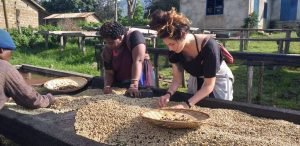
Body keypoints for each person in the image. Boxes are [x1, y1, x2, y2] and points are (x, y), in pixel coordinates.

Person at [149, 8, 234, 108]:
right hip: (196, 76)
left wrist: (186, 104)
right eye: (167, 45)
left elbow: (208, 85)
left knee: (219, 108)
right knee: (195, 106)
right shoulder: (174, 51)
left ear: (183, 35)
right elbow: (177, 79)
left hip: (218, 77)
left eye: (172, 44)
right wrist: (168, 94)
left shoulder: (209, 46)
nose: (170, 48)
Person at [0, 29, 55, 109]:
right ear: (1, 50)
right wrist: (48, 99)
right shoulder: (4, 66)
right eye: (11, 52)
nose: (11, 56)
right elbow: (30, 99)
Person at [99, 21, 155, 97]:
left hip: (140, 79)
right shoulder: (107, 50)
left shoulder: (134, 37)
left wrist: (134, 85)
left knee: (139, 97)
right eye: (106, 42)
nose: (108, 45)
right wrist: (107, 85)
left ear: (120, 37)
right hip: (122, 80)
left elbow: (138, 61)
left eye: (111, 42)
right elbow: (109, 71)